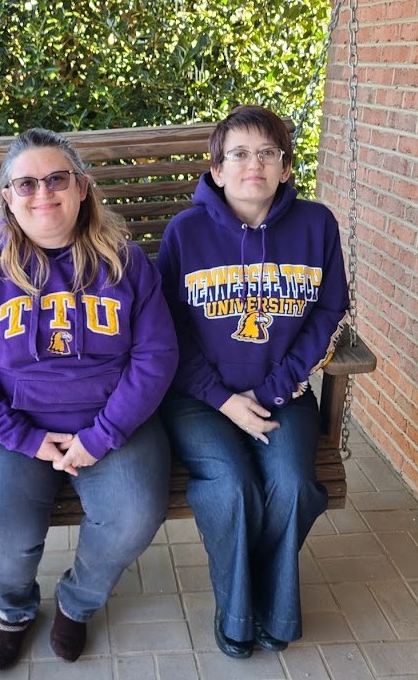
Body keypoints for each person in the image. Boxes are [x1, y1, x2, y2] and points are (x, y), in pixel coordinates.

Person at [0, 127, 178, 669]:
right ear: (7, 197)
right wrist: (21, 437)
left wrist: (102, 436)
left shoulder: (125, 262)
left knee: (134, 512)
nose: (42, 193)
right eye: (25, 183)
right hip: (8, 422)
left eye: (56, 179)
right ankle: (15, 609)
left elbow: (155, 357)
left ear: (83, 188)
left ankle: (78, 601)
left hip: (112, 417)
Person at [157, 105, 349, 659]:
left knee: (292, 484)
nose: (254, 164)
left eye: (268, 153)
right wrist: (223, 399)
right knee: (232, 486)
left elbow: (328, 308)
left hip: (282, 393)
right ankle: (238, 611)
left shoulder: (317, 225)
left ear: (286, 167)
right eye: (238, 154)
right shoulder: (186, 233)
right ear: (215, 170)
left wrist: (269, 391)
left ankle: (273, 606)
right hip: (199, 400)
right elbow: (167, 328)